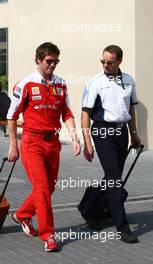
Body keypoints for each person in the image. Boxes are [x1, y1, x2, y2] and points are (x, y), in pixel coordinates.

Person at [7, 42, 81, 252]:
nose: (52, 65)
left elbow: (66, 112)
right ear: (38, 60)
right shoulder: (26, 84)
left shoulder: (60, 83)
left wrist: (75, 138)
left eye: (56, 61)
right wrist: (13, 145)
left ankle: (21, 215)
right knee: (41, 189)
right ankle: (48, 235)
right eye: (49, 61)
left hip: (53, 142)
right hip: (32, 142)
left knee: (49, 188)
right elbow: (12, 116)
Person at [81, 45, 141, 243]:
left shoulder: (129, 80)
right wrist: (87, 142)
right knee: (115, 180)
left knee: (112, 177)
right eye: (103, 62)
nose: (105, 65)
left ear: (119, 62)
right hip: (102, 131)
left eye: (110, 62)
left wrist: (134, 134)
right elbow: (85, 113)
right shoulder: (95, 83)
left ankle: (89, 209)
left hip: (121, 132)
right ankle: (122, 227)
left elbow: (131, 110)